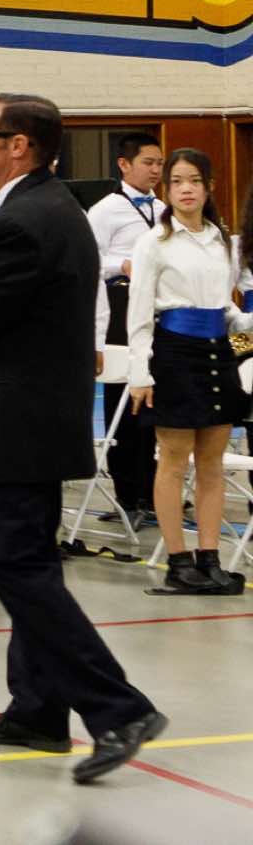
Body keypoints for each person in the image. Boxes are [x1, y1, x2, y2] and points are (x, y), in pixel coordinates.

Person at [0, 93, 165, 782]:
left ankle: (119, 707)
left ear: (17, 144)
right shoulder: (52, 208)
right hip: (36, 419)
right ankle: (38, 709)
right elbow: (0, 299)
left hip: (12, 422)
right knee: (30, 563)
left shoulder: (21, 220)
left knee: (17, 567)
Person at [122, 150, 249, 595]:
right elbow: (139, 314)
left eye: (194, 180)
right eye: (176, 181)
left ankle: (209, 559)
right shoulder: (153, 243)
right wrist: (141, 373)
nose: (186, 189)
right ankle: (178, 562)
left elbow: (225, 308)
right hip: (174, 353)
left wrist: (245, 323)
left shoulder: (222, 241)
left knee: (212, 464)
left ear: (208, 186)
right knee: (173, 461)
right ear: (167, 189)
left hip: (218, 352)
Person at [87, 132, 165, 526]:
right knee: (123, 398)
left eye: (160, 163)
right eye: (148, 162)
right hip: (119, 305)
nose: (156, 170)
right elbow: (86, 261)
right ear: (124, 164)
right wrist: (122, 265)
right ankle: (127, 494)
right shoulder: (105, 210)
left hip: (156, 308)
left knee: (154, 399)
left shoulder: (163, 208)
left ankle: (155, 491)